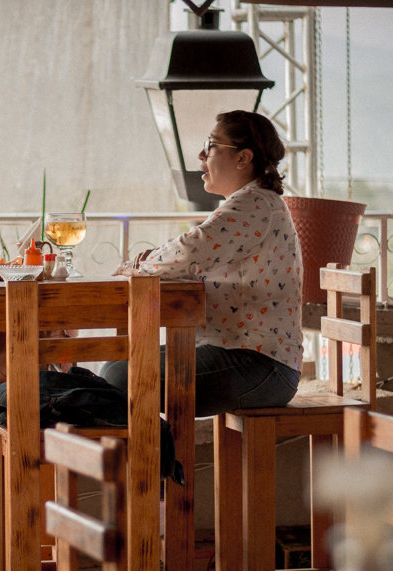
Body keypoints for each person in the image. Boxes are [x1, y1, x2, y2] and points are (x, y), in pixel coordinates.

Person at [103, 110, 303, 417]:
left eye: (210, 145)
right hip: (246, 358)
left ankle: (152, 462)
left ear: (242, 158)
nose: (200, 155)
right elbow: (196, 253)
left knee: (121, 377)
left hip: (260, 365)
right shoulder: (251, 202)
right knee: (115, 367)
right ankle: (153, 459)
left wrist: (139, 266)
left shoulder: (255, 204)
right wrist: (150, 264)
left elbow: (191, 249)